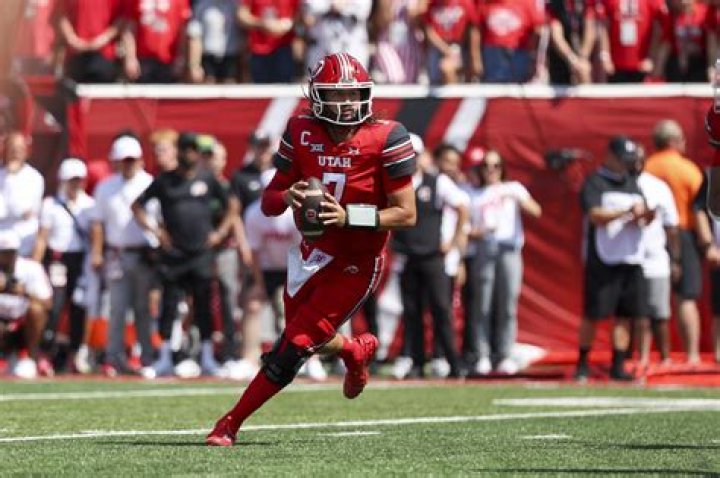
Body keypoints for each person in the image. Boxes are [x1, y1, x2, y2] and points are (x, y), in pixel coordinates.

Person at [206, 52, 417, 446]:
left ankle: (229, 423)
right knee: (303, 335)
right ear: (319, 97)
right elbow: (269, 203)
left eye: (353, 93)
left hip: (357, 261)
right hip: (311, 255)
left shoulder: (387, 137)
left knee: (294, 346)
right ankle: (353, 350)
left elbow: (406, 214)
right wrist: (288, 195)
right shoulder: (301, 130)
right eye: (338, 95)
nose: (348, 102)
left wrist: (349, 217)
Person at [132, 132, 240, 377]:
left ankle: (207, 357)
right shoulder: (165, 181)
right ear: (179, 152)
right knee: (169, 305)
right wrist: (156, 231)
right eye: (186, 149)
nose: (190, 154)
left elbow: (233, 204)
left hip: (201, 253)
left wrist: (220, 233)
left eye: (194, 150)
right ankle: (165, 358)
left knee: (203, 304)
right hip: (174, 253)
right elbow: (137, 205)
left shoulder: (207, 178)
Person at [575, 136, 650, 381]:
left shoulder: (632, 183)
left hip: (630, 257)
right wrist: (625, 212)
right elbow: (595, 215)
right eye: (622, 159)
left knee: (624, 315)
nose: (626, 163)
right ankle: (583, 362)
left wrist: (645, 215)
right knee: (593, 313)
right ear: (610, 156)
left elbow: (643, 212)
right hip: (603, 258)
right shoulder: (595, 182)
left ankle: (618, 365)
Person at [391, 137, 468, 379]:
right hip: (408, 256)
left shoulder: (437, 182)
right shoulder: (396, 184)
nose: (411, 160)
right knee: (412, 312)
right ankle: (417, 362)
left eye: (415, 155)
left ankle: (453, 362)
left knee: (441, 310)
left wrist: (454, 242)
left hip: (433, 257)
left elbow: (462, 206)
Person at [466, 150, 541, 375]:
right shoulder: (474, 193)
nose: (491, 170)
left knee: (507, 304)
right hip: (484, 248)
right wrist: (477, 232)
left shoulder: (513, 188)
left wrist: (519, 199)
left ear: (502, 168)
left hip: (509, 249)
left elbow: (536, 211)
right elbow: (465, 227)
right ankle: (482, 354)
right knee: (483, 304)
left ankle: (505, 354)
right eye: (486, 166)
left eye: (496, 166)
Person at [90, 135, 157, 376]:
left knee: (142, 309)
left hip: (145, 254)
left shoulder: (150, 183)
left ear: (139, 160)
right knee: (116, 308)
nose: (128, 164)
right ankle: (114, 357)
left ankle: (147, 357)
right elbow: (98, 223)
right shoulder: (105, 187)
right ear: (116, 161)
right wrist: (97, 252)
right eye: (124, 160)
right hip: (117, 254)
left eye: (131, 159)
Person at [644, 120, 707, 364]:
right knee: (686, 297)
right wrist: (706, 241)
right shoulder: (687, 169)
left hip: (650, 235)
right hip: (682, 233)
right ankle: (692, 356)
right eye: (681, 139)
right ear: (672, 141)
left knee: (648, 297)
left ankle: (646, 355)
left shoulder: (648, 167)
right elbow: (700, 207)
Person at [32, 158, 95, 374]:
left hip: (81, 261)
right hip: (57, 260)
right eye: (72, 180)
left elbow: (95, 236)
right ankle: (45, 352)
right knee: (55, 306)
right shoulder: (51, 205)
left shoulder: (89, 205)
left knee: (79, 306)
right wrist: (35, 265)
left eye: (79, 180)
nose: (76, 185)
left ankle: (75, 353)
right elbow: (43, 237)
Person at [629, 147, 680, 368]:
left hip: (655, 257)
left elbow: (671, 226)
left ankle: (665, 358)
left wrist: (675, 259)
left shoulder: (657, 186)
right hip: (627, 258)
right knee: (634, 313)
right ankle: (638, 358)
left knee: (659, 313)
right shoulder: (616, 184)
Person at [0, 230, 52, 379]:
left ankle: (31, 358)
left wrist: (23, 292)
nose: (7, 257)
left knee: (36, 310)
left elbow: (47, 303)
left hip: (23, 325)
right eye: (3, 252)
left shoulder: (31, 268)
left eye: (10, 252)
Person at [0, 131, 45, 258]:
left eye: (19, 149)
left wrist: (11, 178)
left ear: (26, 152)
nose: (15, 153)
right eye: (12, 149)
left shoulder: (35, 178)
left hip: (24, 242)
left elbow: (24, 210)